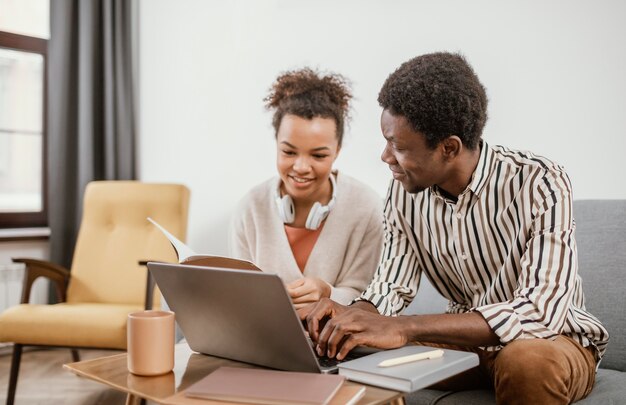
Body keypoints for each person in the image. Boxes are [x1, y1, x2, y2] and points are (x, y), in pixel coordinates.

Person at [300, 52, 608, 404]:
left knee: (526, 360)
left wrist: (405, 327)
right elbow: (389, 286)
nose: (385, 157)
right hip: (467, 346)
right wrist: (350, 316)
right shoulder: (403, 194)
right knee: (346, 344)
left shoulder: (540, 182)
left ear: (449, 148)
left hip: (551, 342)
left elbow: (539, 312)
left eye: (397, 146)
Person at [229, 68, 384, 308]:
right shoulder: (250, 208)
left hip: (337, 340)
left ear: (337, 151)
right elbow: (240, 294)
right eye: (288, 152)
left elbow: (371, 300)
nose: (301, 167)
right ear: (276, 145)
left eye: (319, 155)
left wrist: (328, 294)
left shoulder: (368, 209)